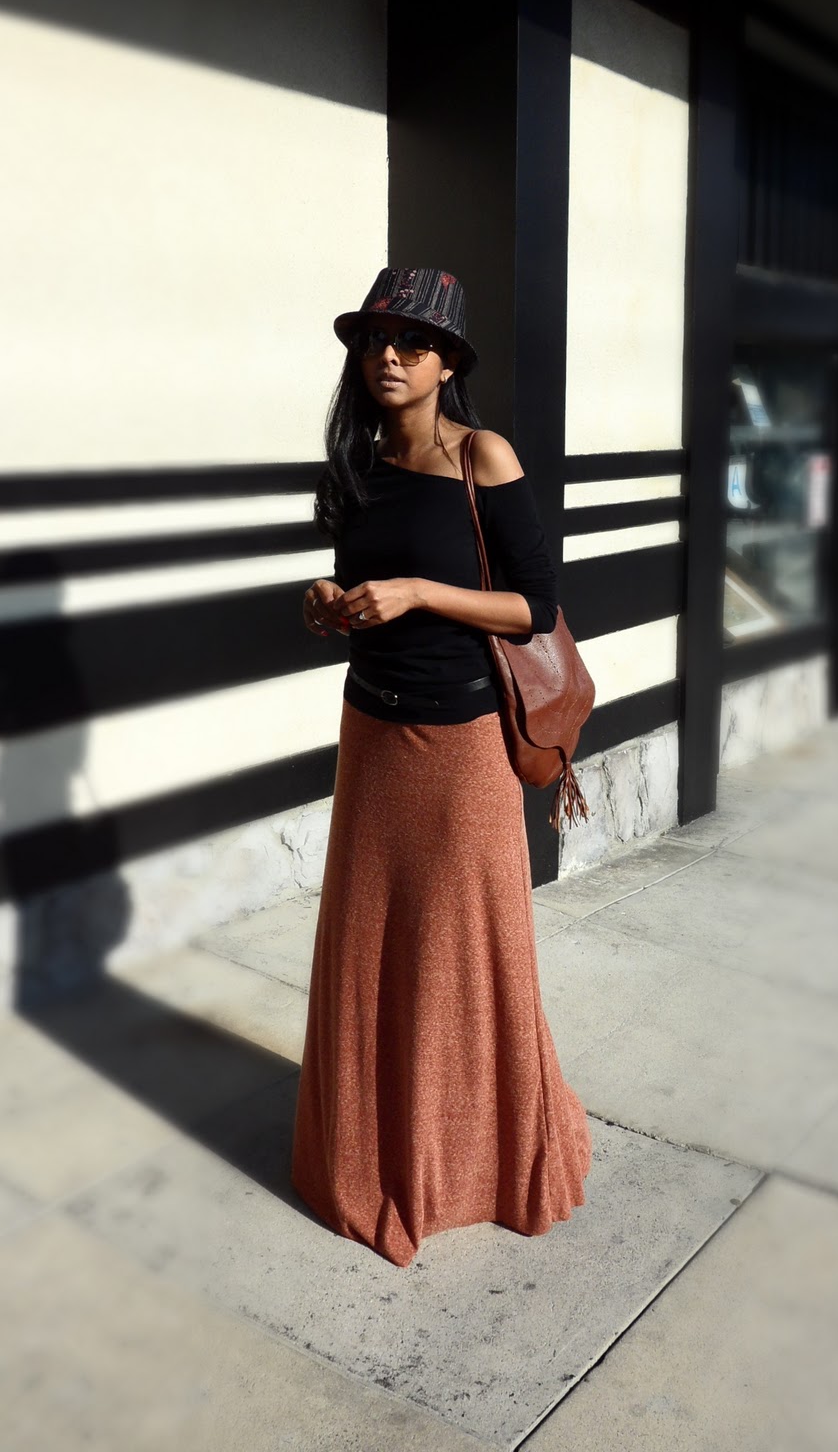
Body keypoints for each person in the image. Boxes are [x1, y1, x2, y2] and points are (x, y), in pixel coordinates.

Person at [290, 267, 592, 1268]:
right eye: (376, 339)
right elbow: (366, 597)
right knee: (371, 947)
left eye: (412, 342)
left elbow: (534, 606)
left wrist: (420, 591)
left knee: (467, 949)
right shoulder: (358, 461)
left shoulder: (481, 455)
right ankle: (371, 1152)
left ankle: (477, 1163)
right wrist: (332, 604)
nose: (389, 356)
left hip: (463, 746)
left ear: (447, 362)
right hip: (373, 734)